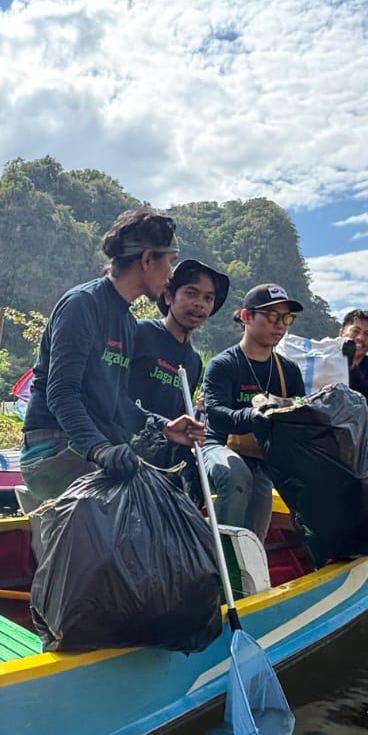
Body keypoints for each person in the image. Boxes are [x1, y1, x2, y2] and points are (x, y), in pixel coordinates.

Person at [19, 210, 204, 503]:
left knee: (164, 504)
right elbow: (61, 393)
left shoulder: (128, 324)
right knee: (135, 513)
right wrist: (100, 449)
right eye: (170, 262)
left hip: (87, 448)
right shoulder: (83, 305)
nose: (170, 276)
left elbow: (118, 402)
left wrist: (163, 426)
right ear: (147, 260)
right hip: (52, 448)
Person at [201, 284, 308, 539]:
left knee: (255, 534)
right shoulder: (223, 364)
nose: (280, 324)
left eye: (286, 318)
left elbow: (301, 416)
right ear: (246, 317)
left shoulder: (288, 370)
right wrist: (252, 415)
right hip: (218, 446)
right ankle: (221, 562)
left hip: (261, 458)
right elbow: (216, 415)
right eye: (272, 316)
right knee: (236, 476)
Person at [127, 258, 229, 471]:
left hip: (158, 468)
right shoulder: (139, 333)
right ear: (168, 295)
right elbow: (109, 393)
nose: (200, 303)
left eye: (208, 298)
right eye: (191, 293)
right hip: (120, 455)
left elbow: (179, 416)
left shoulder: (193, 361)